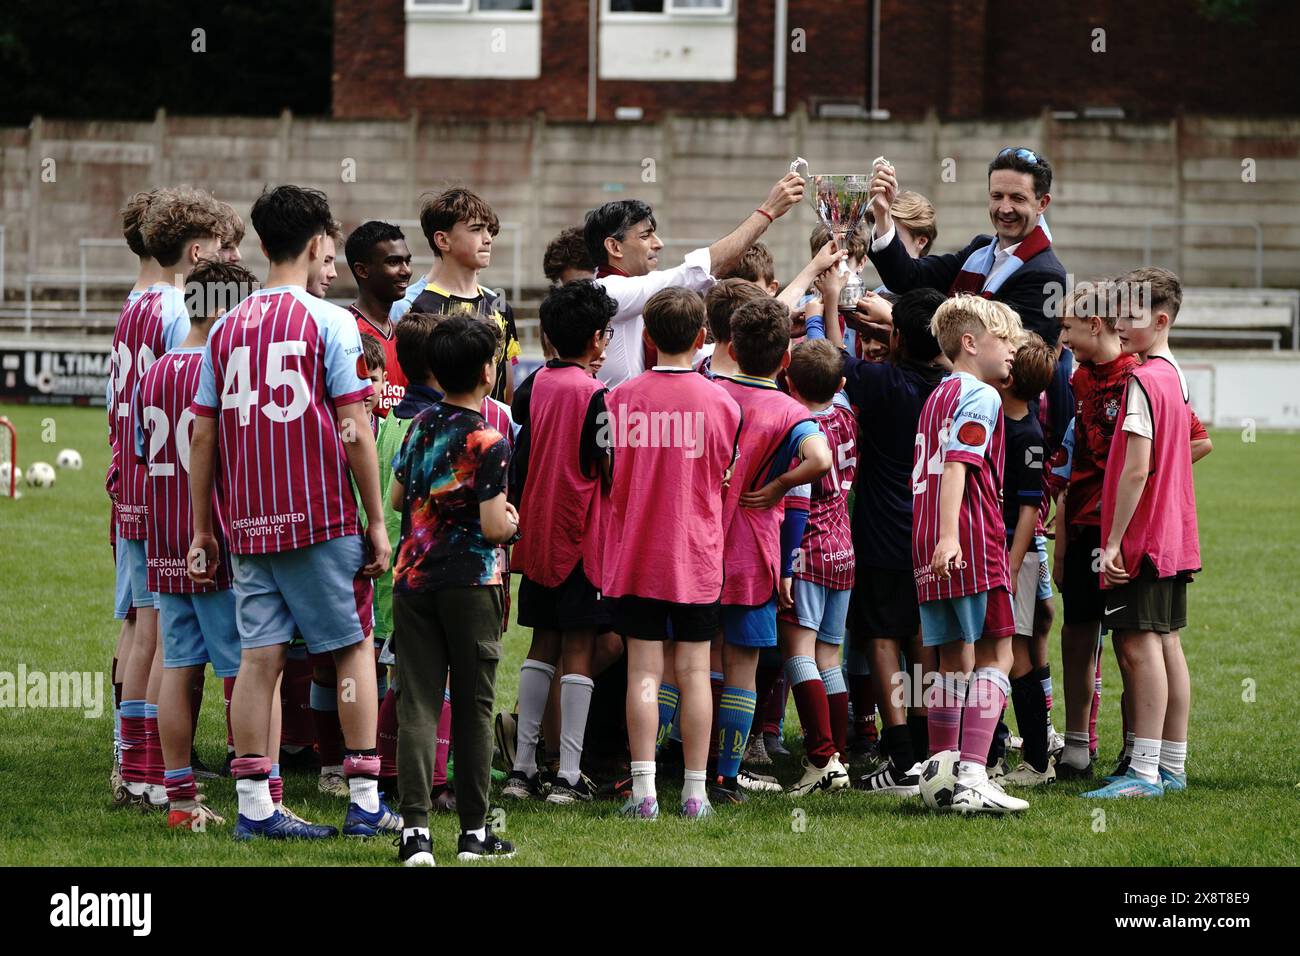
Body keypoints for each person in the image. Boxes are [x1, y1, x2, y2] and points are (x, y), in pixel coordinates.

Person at [188, 185, 397, 841]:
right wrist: (376, 518)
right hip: (320, 515)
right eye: (329, 251)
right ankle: (364, 799)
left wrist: (202, 527)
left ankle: (255, 807)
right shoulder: (330, 322)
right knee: (351, 649)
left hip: (248, 519)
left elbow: (202, 434)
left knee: (261, 660)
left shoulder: (225, 328)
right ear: (314, 245)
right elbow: (355, 428)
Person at [601, 287, 742, 820]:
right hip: (697, 556)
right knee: (694, 671)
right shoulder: (722, 403)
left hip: (638, 552)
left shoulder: (620, 398)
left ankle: (643, 794)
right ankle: (696, 793)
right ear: (702, 338)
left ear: (650, 338)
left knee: (644, 670)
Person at [133, 258, 257, 829]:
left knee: (179, 664)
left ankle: (178, 798)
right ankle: (260, 792)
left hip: (162, 537)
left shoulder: (153, 373)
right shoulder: (220, 368)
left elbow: (142, 454)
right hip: (212, 536)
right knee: (249, 668)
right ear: (223, 307)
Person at [112, 186, 226, 812]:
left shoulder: (135, 303)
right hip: (171, 491)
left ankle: (133, 764)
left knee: (141, 623)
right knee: (162, 633)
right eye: (225, 248)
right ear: (199, 250)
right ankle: (153, 772)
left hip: (135, 478)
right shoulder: (178, 312)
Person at [390, 314, 519, 863]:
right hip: (471, 585)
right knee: (473, 705)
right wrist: (512, 521)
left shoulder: (418, 425)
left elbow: (398, 499)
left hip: (413, 580)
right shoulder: (489, 441)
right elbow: (493, 527)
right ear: (488, 372)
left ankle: (414, 831)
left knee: (417, 703)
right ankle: (473, 833)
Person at [1085, 267, 1200, 799]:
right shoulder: (1175, 375)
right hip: (1173, 536)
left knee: (1137, 647)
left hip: (1142, 540)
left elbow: (1135, 469)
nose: (1118, 323)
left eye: (1130, 315)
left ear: (1159, 320)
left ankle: (1145, 772)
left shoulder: (1142, 380)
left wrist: (1113, 543)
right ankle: (1171, 765)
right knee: (1167, 642)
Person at [712, 297, 832, 805]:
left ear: (732, 350)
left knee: (685, 664)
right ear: (787, 359)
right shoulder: (790, 410)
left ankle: (670, 764)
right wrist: (781, 484)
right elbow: (821, 459)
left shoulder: (711, 392)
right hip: (753, 556)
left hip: (697, 549)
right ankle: (724, 776)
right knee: (742, 668)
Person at [912, 295, 1029, 815]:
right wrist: (951, 537)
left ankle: (940, 768)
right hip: (968, 539)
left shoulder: (936, 396)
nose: (1013, 349)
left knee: (949, 660)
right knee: (997, 652)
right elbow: (958, 466)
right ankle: (975, 776)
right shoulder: (981, 396)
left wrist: (937, 538)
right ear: (969, 343)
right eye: (1004, 339)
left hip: (929, 540)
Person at [504, 280, 616, 804]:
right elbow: (607, 467)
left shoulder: (533, 385)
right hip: (580, 537)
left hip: (538, 533)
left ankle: (523, 770)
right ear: (597, 339)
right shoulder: (596, 395)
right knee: (578, 649)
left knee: (539, 647)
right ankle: (568, 775)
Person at [585, 171, 806, 387]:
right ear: (614, 246)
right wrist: (768, 212)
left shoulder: (626, 295)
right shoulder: (609, 292)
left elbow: (692, 354)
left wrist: (768, 330)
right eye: (645, 236)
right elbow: (700, 271)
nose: (658, 243)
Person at [866, 147, 1066, 346]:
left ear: (1042, 203)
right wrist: (883, 214)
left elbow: (1005, 354)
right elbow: (907, 277)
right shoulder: (979, 250)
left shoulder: (1046, 275)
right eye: (997, 196)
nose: (1005, 209)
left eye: (1017, 198)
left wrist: (893, 321)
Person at [779, 339, 857, 796]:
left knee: (798, 654)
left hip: (808, 547)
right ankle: (839, 758)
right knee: (830, 656)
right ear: (841, 385)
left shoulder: (799, 427)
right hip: (844, 546)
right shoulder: (846, 414)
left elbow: (798, 501)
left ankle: (821, 758)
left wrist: (788, 563)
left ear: (787, 380)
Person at [995, 335, 1060, 788]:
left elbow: (1029, 510)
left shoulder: (1029, 435)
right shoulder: (998, 416)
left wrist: (1012, 563)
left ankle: (1038, 761)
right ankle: (996, 751)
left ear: (1012, 376)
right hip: (997, 552)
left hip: (1014, 555)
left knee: (1016, 656)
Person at [408, 187, 521, 404]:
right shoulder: (421, 309)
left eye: (490, 231)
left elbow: (507, 391)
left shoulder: (500, 307)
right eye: (476, 229)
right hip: (442, 431)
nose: (488, 239)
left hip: (494, 432)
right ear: (443, 240)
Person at [345, 220, 413, 416]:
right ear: (362, 270)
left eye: (407, 261)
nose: (405, 270)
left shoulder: (404, 336)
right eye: (393, 262)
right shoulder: (345, 332)